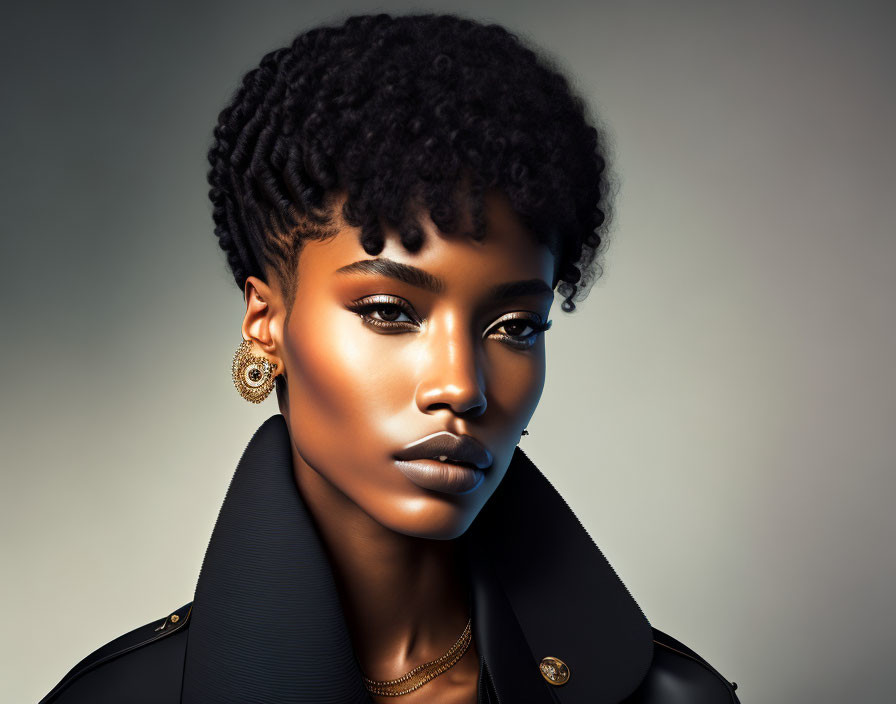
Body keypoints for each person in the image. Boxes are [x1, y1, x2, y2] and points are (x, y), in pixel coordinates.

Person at [39, 12, 740, 703]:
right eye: (388, 312)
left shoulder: (675, 697)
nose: (461, 387)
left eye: (516, 326)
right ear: (265, 323)